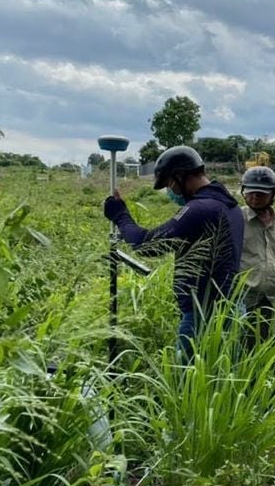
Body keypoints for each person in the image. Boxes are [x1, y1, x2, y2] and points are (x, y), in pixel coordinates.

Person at [103, 145, 244, 358]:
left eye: (170, 183)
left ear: (180, 176)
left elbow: (147, 245)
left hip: (203, 316)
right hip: (231, 309)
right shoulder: (229, 206)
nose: (171, 190)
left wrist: (120, 215)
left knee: (189, 383)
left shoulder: (200, 209)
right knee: (222, 379)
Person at [238, 166, 275, 341]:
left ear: (273, 194)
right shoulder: (236, 219)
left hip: (274, 302)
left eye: (261, 193)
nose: (255, 197)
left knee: (274, 349)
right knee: (243, 350)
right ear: (243, 192)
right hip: (244, 302)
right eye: (251, 192)